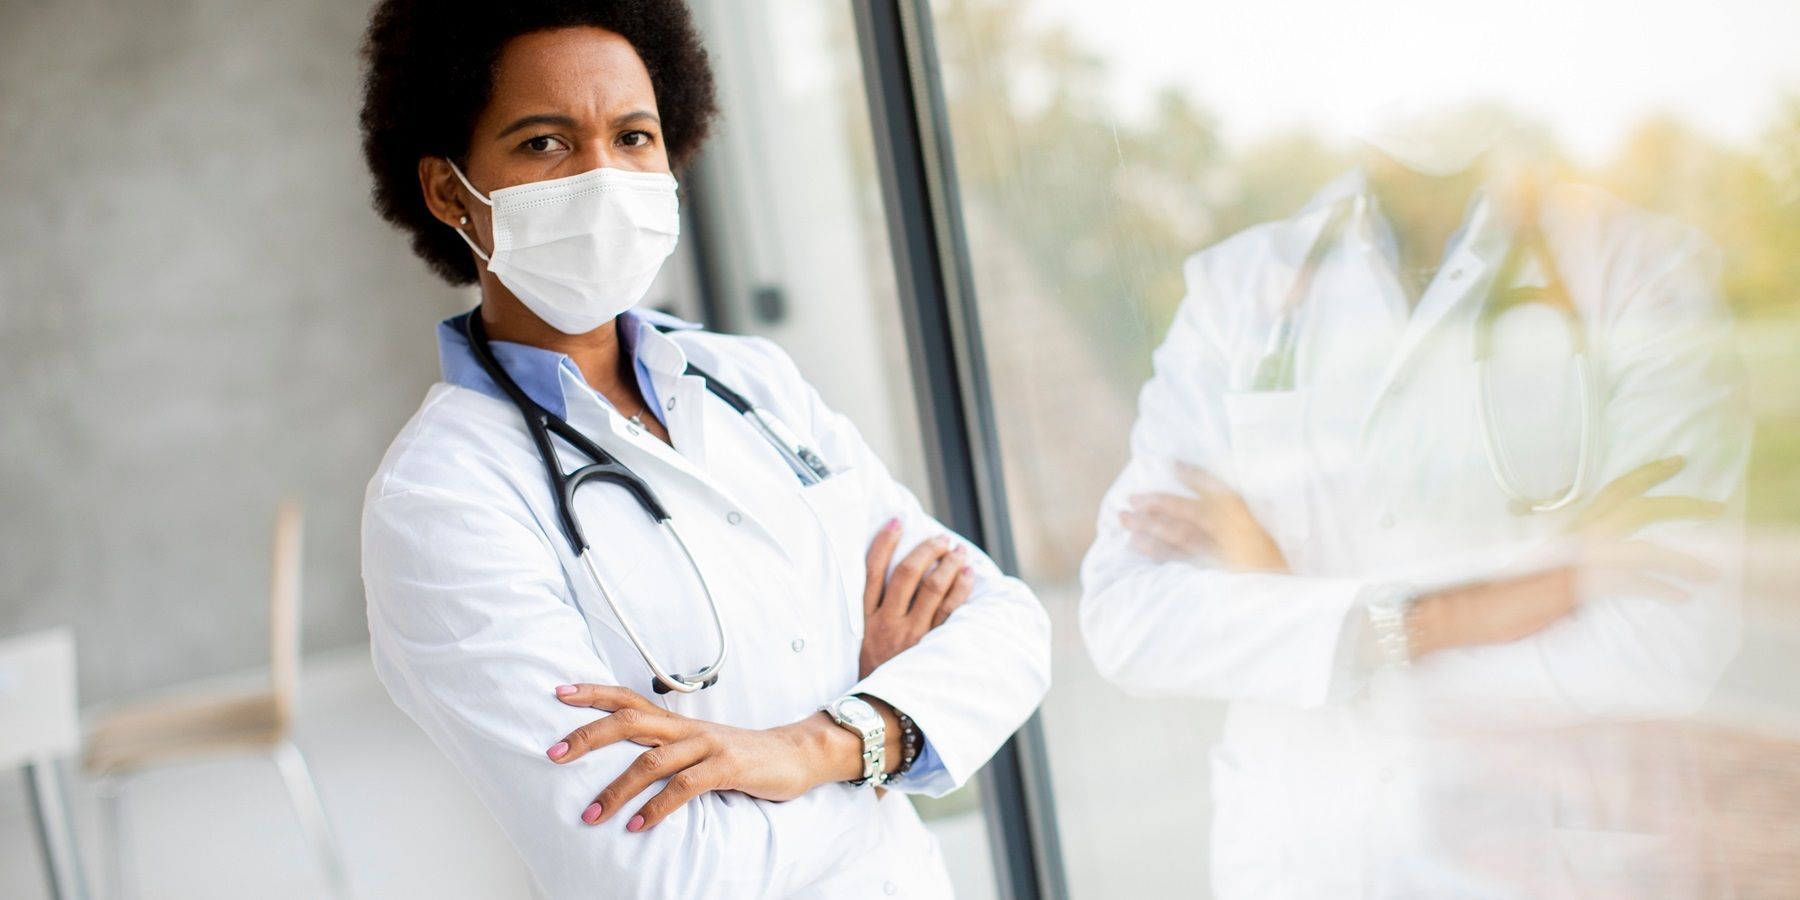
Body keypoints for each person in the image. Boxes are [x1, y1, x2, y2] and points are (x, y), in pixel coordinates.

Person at [355, 3, 1050, 897]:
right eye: (544, 143)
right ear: (452, 192)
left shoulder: (750, 381)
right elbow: (660, 872)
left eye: (634, 135)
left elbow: (1007, 627)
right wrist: (882, 744)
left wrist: (813, 749)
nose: (604, 176)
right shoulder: (444, 501)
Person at [1080, 112, 1749, 896]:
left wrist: (1290, 609)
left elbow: (1662, 646)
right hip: (1303, 856)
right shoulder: (1238, 289)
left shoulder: (1640, 270)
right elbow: (1128, 618)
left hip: (1536, 856)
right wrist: (1476, 611)